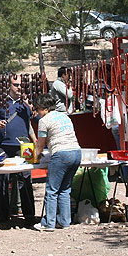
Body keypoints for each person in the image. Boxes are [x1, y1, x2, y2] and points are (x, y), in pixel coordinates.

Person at [0, 74, 36, 223]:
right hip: (4, 145)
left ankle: (29, 214)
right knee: (2, 179)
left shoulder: (26, 103)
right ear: (8, 86)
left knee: (25, 178)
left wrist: (30, 108)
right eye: (16, 85)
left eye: (20, 84)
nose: (19, 87)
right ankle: (3, 213)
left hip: (24, 146)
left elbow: (33, 121)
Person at [33, 93, 82, 231]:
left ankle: (49, 223)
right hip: (76, 153)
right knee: (65, 189)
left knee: (52, 190)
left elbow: (41, 144)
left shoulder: (44, 121)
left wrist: (36, 157)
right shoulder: (64, 116)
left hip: (61, 154)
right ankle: (65, 221)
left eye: (38, 109)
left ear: (45, 108)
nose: (37, 112)